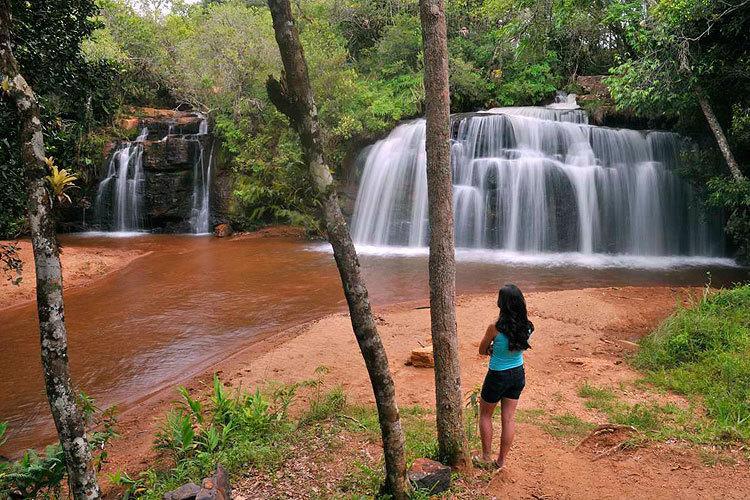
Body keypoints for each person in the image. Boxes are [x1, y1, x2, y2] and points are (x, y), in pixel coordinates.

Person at [476, 283, 533, 470]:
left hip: (497, 375)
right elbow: (517, 346)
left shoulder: (495, 328)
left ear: (503, 304)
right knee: (508, 418)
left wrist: (492, 349)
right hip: (518, 373)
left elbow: (482, 350)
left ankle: (485, 457)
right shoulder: (528, 327)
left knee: (485, 415)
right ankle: (501, 461)